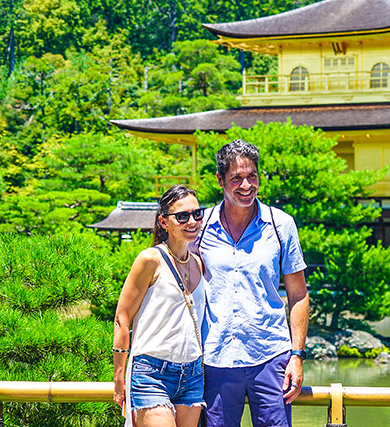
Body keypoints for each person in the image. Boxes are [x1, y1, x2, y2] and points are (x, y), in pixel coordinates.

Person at [196, 139, 310, 427]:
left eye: (252, 176)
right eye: (236, 178)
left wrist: (297, 356)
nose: (246, 185)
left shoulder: (280, 224)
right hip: (215, 356)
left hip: (270, 354)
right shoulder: (200, 226)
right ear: (220, 179)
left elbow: (298, 294)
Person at [113, 185, 207, 427]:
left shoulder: (198, 263)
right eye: (182, 216)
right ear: (164, 222)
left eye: (197, 214)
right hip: (151, 371)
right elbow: (122, 319)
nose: (192, 222)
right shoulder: (150, 259)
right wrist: (119, 378)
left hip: (193, 371)